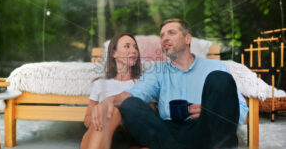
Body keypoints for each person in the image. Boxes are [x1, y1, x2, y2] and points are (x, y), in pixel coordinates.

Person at [91, 19, 249, 149]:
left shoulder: (216, 67)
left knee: (219, 78)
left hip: (206, 129)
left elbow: (240, 109)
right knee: (129, 104)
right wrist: (109, 100)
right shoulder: (158, 71)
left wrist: (211, 112)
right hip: (167, 133)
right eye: (162, 35)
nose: (165, 38)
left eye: (171, 33)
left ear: (188, 38)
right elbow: (134, 94)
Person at [80, 33, 149, 149]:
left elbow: (150, 115)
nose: (133, 51)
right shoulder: (100, 84)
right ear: (114, 53)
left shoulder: (143, 83)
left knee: (113, 111)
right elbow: (87, 119)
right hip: (100, 135)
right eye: (127, 46)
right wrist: (104, 118)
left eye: (135, 47)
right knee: (111, 112)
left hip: (130, 138)